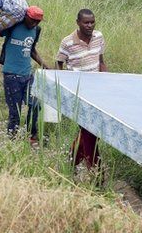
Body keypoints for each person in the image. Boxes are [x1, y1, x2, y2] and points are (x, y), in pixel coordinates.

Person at [0, 5, 50, 143]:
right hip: (11, 76)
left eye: (38, 21)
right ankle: (12, 140)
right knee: (15, 112)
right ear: (25, 16)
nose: (35, 24)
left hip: (28, 75)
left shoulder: (36, 30)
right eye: (32, 20)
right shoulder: (12, 26)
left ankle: (31, 134)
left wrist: (45, 65)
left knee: (36, 104)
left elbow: (32, 50)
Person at [56, 9, 107, 168]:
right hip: (78, 93)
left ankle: (70, 163)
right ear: (78, 22)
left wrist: (107, 82)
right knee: (89, 130)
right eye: (86, 22)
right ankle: (97, 175)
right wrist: (63, 87)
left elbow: (101, 61)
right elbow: (59, 63)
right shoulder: (68, 42)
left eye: (92, 22)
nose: (90, 25)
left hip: (97, 92)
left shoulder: (99, 37)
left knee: (91, 131)